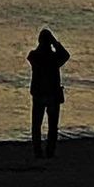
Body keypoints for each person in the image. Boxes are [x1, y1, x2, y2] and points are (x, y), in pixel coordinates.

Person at [27, 28, 70, 158]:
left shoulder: (34, 56)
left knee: (37, 125)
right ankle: (49, 152)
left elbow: (65, 56)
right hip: (51, 95)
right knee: (52, 126)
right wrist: (55, 42)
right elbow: (65, 55)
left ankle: (38, 152)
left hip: (40, 94)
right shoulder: (53, 57)